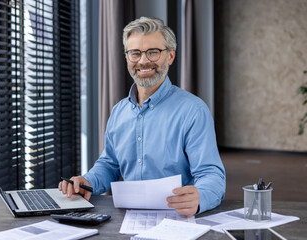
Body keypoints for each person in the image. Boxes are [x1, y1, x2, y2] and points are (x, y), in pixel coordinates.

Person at [59, 16, 225, 216]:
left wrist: (200, 198)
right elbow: (110, 164)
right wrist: (88, 181)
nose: (143, 61)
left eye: (153, 52)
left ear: (170, 56)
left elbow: (211, 174)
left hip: (177, 219)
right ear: (127, 58)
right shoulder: (118, 111)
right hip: (126, 218)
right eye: (135, 53)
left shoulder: (194, 111)